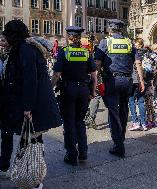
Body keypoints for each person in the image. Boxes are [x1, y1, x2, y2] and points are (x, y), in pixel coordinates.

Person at [0, 20, 62, 188]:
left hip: (32, 106)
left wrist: (27, 107)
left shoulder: (25, 50)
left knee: (31, 142)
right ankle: (29, 176)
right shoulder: (22, 48)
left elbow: (30, 81)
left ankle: (34, 180)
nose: (3, 38)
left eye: (7, 33)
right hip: (27, 104)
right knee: (30, 141)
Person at [94, 19, 144, 158]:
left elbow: (97, 63)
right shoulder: (129, 42)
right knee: (123, 110)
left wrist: (95, 81)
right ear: (121, 29)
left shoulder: (106, 42)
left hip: (112, 80)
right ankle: (121, 138)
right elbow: (138, 63)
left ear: (110, 29)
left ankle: (118, 145)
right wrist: (141, 81)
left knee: (113, 112)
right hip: (127, 80)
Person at [51, 26, 97, 166]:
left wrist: (50, 88)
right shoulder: (86, 52)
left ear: (69, 37)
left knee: (69, 122)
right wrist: (93, 92)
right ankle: (83, 153)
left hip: (69, 90)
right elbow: (94, 75)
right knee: (80, 121)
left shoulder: (64, 52)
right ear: (78, 38)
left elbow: (57, 74)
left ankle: (71, 155)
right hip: (83, 90)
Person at [128, 38, 147, 131]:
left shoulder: (133, 52)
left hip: (134, 79)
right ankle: (143, 123)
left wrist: (140, 80)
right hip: (146, 79)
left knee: (131, 101)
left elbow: (137, 65)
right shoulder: (147, 52)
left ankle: (135, 122)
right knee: (141, 101)